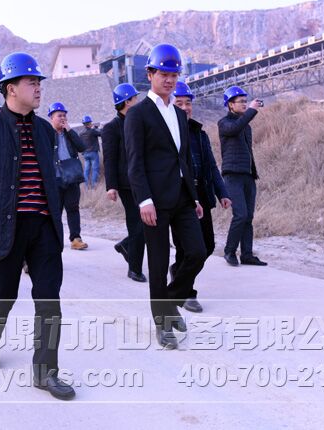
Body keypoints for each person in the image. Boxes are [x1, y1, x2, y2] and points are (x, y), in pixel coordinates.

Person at [0, 52, 75, 400]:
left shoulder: (44, 130)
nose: (38, 88)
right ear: (11, 88)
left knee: (49, 301)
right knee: (3, 295)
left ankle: (45, 372)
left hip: (44, 227)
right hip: (6, 227)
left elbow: (51, 177)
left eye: (39, 82)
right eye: (31, 82)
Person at [125, 44, 207, 349]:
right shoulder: (138, 114)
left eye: (174, 74)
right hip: (155, 202)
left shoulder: (179, 114)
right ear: (150, 74)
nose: (170, 80)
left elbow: (183, 158)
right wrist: (143, 200)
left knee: (197, 252)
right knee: (158, 264)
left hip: (183, 198)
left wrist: (194, 196)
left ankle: (170, 302)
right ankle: (162, 323)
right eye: (164, 74)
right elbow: (135, 162)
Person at [170, 82, 232, 312]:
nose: (185, 107)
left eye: (188, 103)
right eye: (179, 103)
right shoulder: (168, 134)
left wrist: (221, 192)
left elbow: (211, 167)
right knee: (187, 248)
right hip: (180, 198)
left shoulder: (200, 134)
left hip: (202, 196)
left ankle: (178, 274)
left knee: (207, 245)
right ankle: (187, 292)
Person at [101, 83, 146, 282]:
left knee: (147, 223)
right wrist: (111, 186)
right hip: (127, 184)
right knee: (137, 225)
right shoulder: (111, 128)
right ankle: (134, 268)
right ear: (127, 101)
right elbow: (109, 159)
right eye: (135, 98)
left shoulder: (139, 122)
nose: (138, 101)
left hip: (144, 180)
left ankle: (127, 246)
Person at [218, 86, 267, 267]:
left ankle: (247, 255)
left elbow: (247, 148)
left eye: (246, 102)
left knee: (249, 217)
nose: (245, 104)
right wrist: (252, 110)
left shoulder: (246, 127)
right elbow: (235, 128)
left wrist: (253, 172)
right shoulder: (224, 123)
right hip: (232, 176)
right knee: (240, 215)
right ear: (230, 105)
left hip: (248, 175)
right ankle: (229, 251)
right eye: (241, 102)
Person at [48, 102, 88, 250]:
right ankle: (54, 239)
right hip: (55, 179)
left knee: (73, 208)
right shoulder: (47, 134)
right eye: (59, 115)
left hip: (72, 177)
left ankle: (76, 239)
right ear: (51, 118)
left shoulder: (69, 134)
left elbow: (82, 147)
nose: (63, 118)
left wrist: (70, 130)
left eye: (64, 115)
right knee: (55, 211)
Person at [79, 115, 101, 189]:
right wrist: (96, 128)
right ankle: (94, 186)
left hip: (85, 154)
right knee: (95, 169)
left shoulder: (81, 133)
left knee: (86, 170)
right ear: (89, 123)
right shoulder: (92, 131)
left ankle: (86, 187)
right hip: (93, 153)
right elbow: (101, 133)